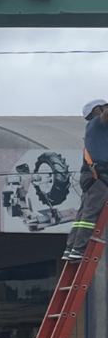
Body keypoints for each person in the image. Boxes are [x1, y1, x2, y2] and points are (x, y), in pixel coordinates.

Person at [62, 99, 108, 261]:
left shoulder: (94, 130)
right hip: (99, 176)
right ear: (97, 110)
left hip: (92, 175)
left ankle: (71, 248)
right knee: (91, 213)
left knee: (83, 215)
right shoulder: (98, 123)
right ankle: (80, 249)